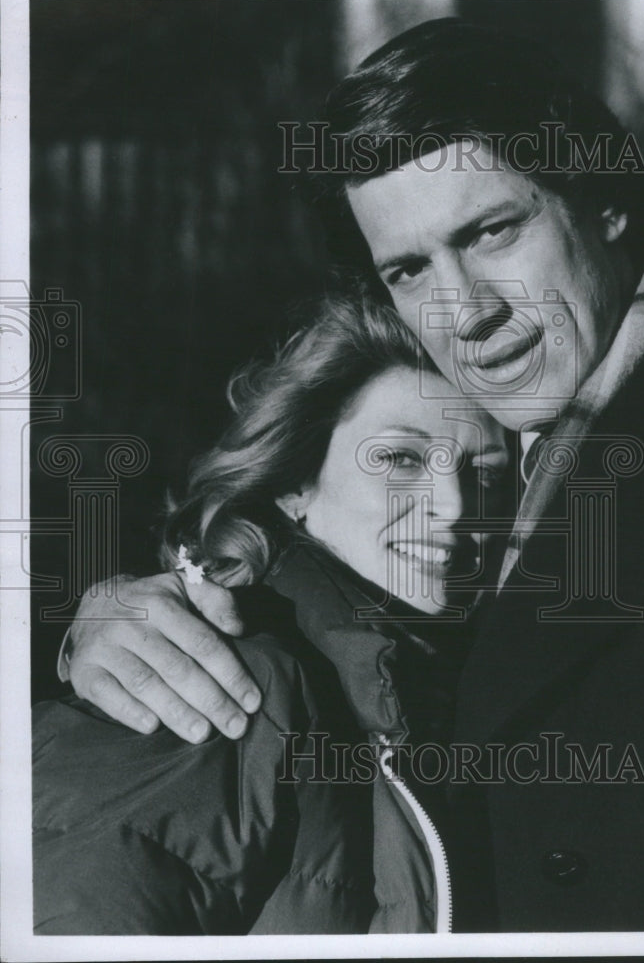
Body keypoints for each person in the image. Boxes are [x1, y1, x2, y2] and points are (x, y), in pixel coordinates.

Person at [54, 19, 644, 931]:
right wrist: (107, 621)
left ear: (605, 202)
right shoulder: (500, 434)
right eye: (411, 269)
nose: (468, 313)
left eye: (495, 231)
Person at [33, 292, 510, 933]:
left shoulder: (451, 689)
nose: (454, 507)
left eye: (485, 472)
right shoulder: (209, 678)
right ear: (295, 486)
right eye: (400, 458)